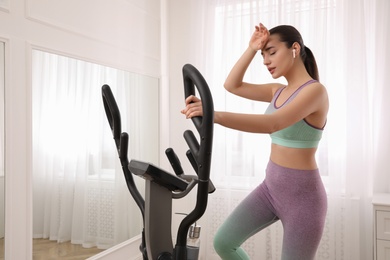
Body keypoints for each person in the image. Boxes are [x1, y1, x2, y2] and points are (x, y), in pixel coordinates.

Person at [181, 23, 328, 260]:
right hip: (271, 188)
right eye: (263, 55)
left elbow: (273, 124)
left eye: (271, 52)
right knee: (224, 242)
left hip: (304, 199)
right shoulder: (277, 91)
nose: (266, 60)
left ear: (294, 48)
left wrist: (212, 115)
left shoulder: (315, 92)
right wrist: (251, 48)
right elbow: (232, 85)